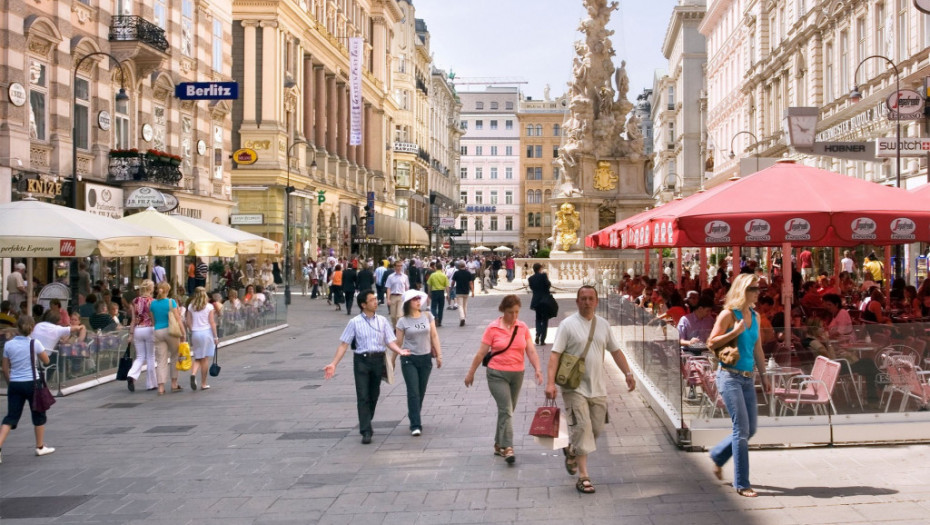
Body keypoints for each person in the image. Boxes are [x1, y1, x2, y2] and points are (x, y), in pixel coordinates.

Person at [544, 286, 636, 494]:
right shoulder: (567, 325)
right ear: (577, 302)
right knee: (583, 427)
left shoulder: (603, 325)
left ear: (596, 302)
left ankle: (572, 451)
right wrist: (550, 383)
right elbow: (555, 355)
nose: (586, 302)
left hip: (598, 387)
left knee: (595, 429)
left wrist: (628, 374)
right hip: (574, 387)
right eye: (583, 299)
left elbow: (616, 351)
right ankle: (584, 476)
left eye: (590, 299)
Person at [707, 273, 769, 498]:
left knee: (750, 429)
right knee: (741, 429)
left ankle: (718, 455)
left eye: (758, 289)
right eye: (753, 289)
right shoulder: (728, 315)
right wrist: (734, 332)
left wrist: (764, 376)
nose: (757, 293)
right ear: (742, 290)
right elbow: (711, 342)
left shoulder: (756, 316)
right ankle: (742, 483)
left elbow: (758, 350)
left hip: (747, 378)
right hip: (729, 376)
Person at [464, 295, 543, 464]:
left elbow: (530, 350)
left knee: (507, 410)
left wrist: (537, 368)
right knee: (506, 409)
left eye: (516, 312)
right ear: (503, 310)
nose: (514, 316)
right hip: (496, 373)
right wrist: (471, 373)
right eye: (510, 312)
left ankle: (498, 443)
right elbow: (481, 353)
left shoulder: (522, 327)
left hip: (517, 373)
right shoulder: (492, 328)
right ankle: (508, 447)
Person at [323, 290, 409, 444]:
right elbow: (344, 344)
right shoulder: (354, 322)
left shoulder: (382, 321)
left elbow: (390, 341)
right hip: (361, 361)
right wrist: (333, 363)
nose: (376, 302)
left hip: (378, 360)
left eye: (376, 299)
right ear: (363, 305)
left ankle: (367, 420)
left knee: (374, 395)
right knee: (363, 395)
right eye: (372, 300)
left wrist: (399, 351)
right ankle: (366, 430)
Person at [0, 316, 57, 463]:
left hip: (15, 383)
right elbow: (46, 360)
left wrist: (10, 382)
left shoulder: (8, 345)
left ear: (17, 328)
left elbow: (5, 368)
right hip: (33, 383)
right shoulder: (35, 343)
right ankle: (39, 446)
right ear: (32, 328)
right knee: (38, 414)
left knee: (11, 417)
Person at [395, 290, 442, 436]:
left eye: (418, 299)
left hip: (426, 358)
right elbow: (398, 342)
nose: (417, 301)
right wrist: (391, 360)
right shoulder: (402, 321)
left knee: (420, 391)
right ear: (408, 303)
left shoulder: (427, 316)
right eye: (414, 299)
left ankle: (413, 413)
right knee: (413, 392)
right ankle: (415, 424)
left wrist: (439, 355)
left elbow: (434, 335)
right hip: (409, 359)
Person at [151, 281, 186, 395]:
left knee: (161, 360)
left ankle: (161, 387)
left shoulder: (152, 304)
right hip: (171, 331)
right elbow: (178, 319)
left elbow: (153, 321)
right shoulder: (171, 302)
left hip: (158, 331)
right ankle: (174, 384)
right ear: (168, 290)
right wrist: (183, 333)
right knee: (175, 356)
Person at [186, 287, 218, 391]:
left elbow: (188, 321)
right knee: (204, 359)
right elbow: (212, 322)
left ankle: (193, 373)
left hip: (195, 333)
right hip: (206, 333)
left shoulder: (191, 306)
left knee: (198, 357)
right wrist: (215, 336)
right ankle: (203, 383)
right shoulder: (209, 307)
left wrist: (192, 330)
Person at [127, 280, 156, 392]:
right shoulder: (152, 301)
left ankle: (132, 374)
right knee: (150, 356)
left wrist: (131, 334)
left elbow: (133, 319)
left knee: (140, 357)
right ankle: (151, 383)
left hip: (138, 329)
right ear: (150, 288)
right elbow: (152, 317)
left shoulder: (135, 301)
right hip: (149, 328)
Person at [528, 263, 554, 346]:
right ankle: (542, 339)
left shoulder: (530, 278)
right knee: (545, 320)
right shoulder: (543, 276)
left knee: (538, 318)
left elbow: (532, 288)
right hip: (545, 300)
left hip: (536, 301)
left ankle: (538, 333)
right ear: (540, 269)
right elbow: (548, 285)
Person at [384, 261, 409, 327]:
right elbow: (388, 288)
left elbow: (407, 288)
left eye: (400, 266)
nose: (399, 267)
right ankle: (395, 328)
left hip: (401, 296)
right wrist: (388, 299)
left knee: (399, 315)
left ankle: (399, 329)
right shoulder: (390, 277)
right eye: (397, 266)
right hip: (393, 296)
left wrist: (407, 298)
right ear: (394, 267)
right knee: (393, 316)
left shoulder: (405, 277)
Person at [451, 261, 475, 327]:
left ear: (459, 266)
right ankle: (464, 318)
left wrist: (452, 287)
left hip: (459, 291)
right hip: (466, 291)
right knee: (465, 306)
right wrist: (473, 291)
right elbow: (471, 283)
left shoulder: (456, 273)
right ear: (465, 266)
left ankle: (462, 318)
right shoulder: (468, 273)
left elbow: (453, 282)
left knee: (460, 306)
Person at [425, 262, 448, 327]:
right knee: (441, 307)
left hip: (434, 292)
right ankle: (440, 321)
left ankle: (435, 317)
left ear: (436, 267)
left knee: (433, 307)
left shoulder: (432, 275)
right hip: (441, 292)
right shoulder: (444, 275)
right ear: (442, 268)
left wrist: (429, 292)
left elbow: (429, 284)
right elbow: (447, 286)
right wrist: (448, 294)